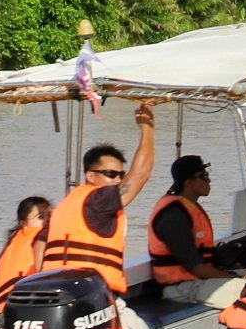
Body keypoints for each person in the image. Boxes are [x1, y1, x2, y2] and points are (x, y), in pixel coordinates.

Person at [33, 102, 158, 297]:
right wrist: (147, 128)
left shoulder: (66, 205)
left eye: (120, 175)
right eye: (110, 174)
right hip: (89, 295)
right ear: (90, 176)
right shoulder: (98, 200)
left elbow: (40, 243)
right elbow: (141, 174)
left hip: (59, 291)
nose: (118, 180)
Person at [146, 153, 245, 308]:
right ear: (189, 182)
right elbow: (196, 268)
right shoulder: (173, 217)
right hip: (181, 288)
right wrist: (230, 277)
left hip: (198, 281)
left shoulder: (188, 206)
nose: (209, 180)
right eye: (203, 176)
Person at [0, 195, 52, 305]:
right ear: (23, 222)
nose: (46, 221)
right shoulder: (40, 236)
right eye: (40, 217)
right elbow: (42, 275)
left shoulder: (13, 241)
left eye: (49, 216)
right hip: (24, 306)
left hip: (3, 307)